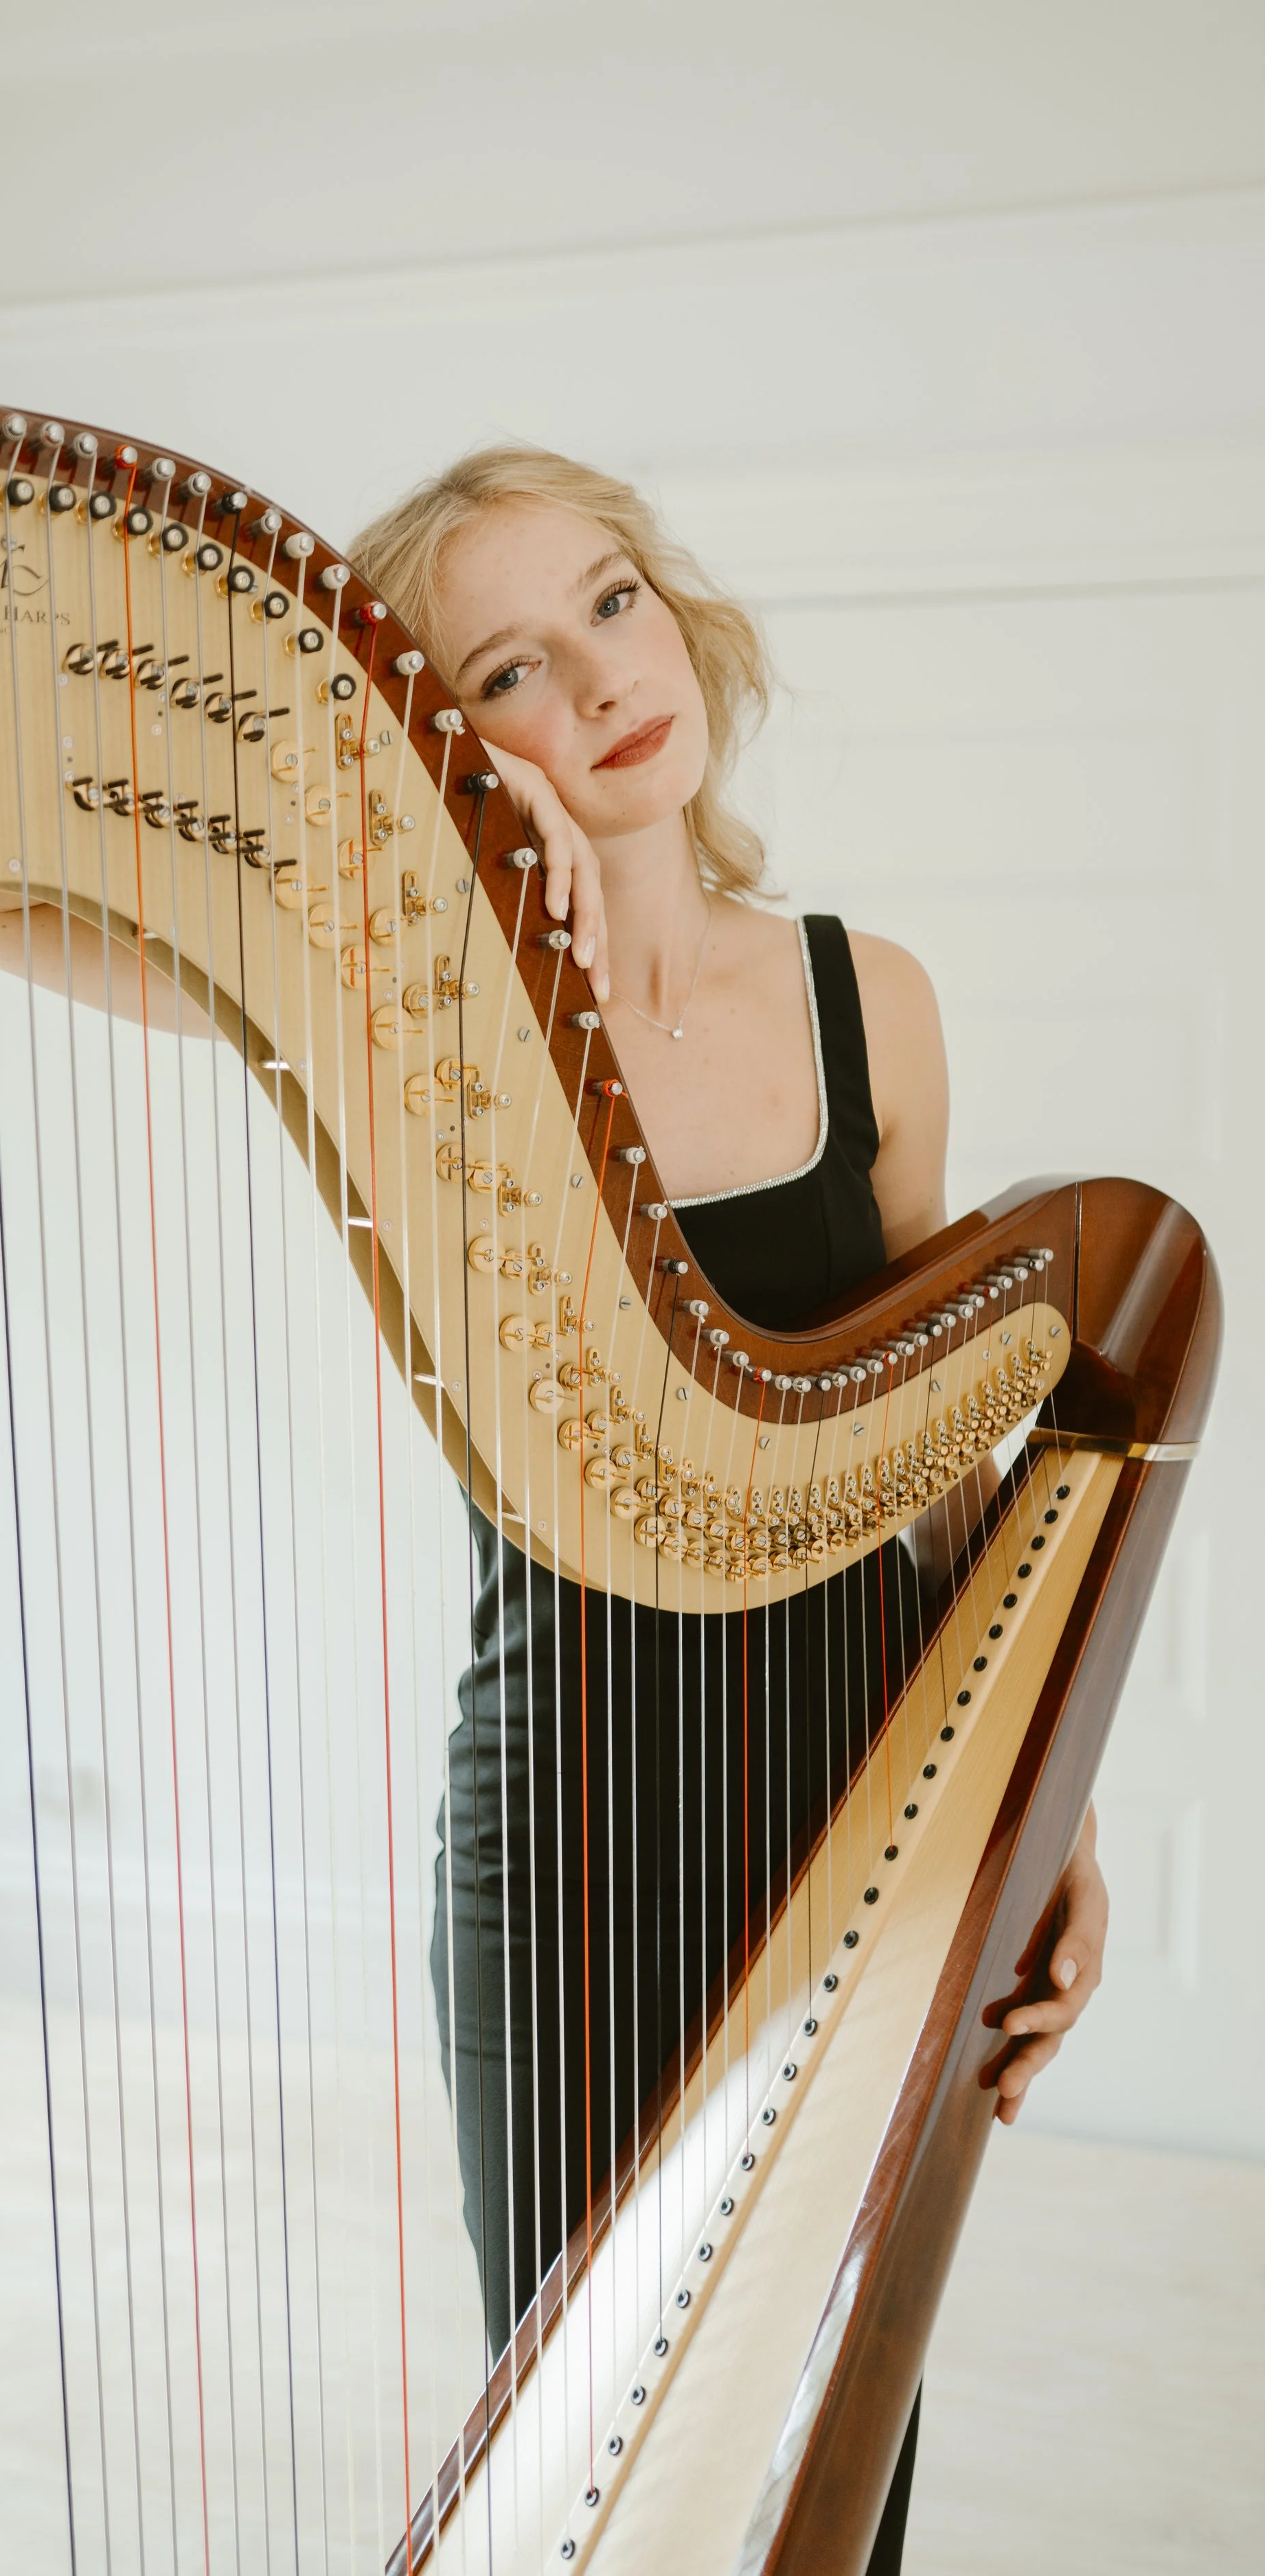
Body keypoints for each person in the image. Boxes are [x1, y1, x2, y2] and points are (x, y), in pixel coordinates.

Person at [350, 449, 1110, 2573]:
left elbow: (939, 1462)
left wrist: (1043, 1819)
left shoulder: (874, 1004)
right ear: (444, 739)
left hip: (853, 1811)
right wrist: (454, 850)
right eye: (506, 664)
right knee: (586, 2473)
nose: (599, 680)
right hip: (558, 1850)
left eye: (609, 600)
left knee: (831, 2457)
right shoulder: (433, 1033)